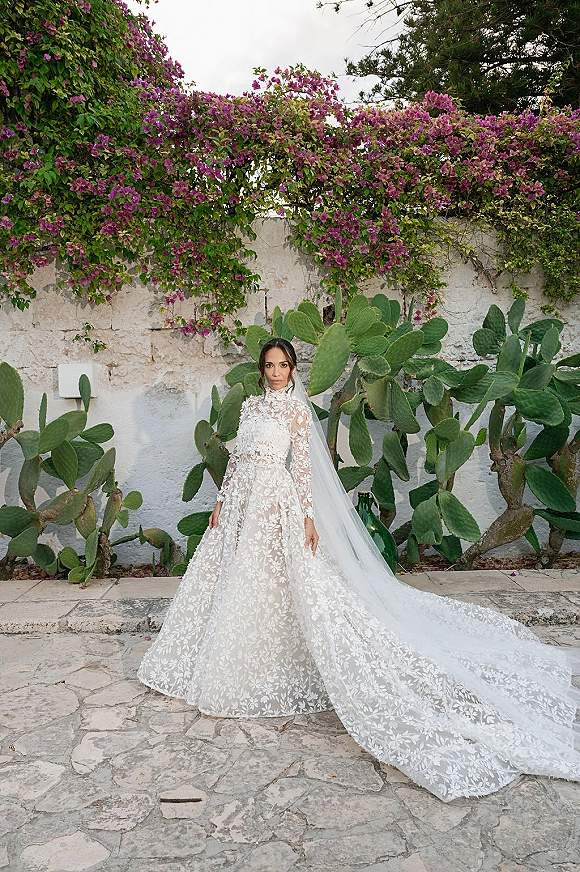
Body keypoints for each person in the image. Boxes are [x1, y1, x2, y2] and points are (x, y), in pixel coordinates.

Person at [138, 337, 580, 802]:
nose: (274, 373)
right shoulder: (250, 408)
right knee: (238, 581)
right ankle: (230, 659)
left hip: (276, 502)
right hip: (243, 501)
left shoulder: (295, 411)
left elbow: (303, 468)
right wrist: (222, 501)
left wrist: (306, 517)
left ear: (292, 369)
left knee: (283, 581)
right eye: (268, 365)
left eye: (282, 365)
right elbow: (236, 461)